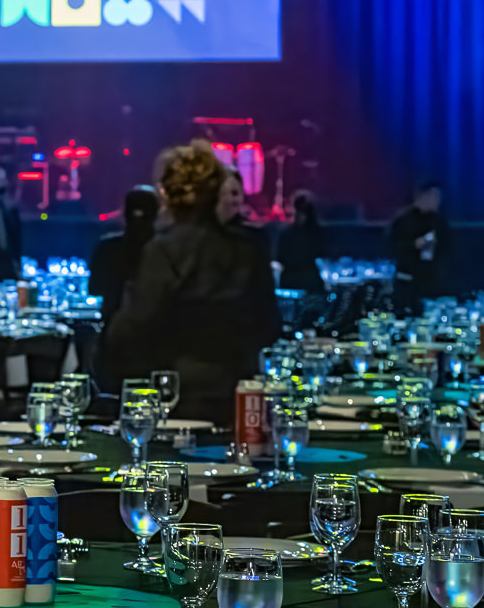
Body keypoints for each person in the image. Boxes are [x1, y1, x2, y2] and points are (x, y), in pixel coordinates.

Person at [101, 140, 280, 427]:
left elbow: (131, 329)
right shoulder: (249, 249)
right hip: (238, 394)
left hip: (176, 397)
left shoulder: (164, 251)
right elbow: (270, 325)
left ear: (168, 194)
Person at [88, 186, 160, 327]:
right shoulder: (166, 250)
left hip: (114, 330)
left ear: (125, 213)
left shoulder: (107, 247)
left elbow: (94, 289)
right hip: (158, 333)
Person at [389, 181, 449, 314]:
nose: (437, 202)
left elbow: (449, 247)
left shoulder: (439, 221)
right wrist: (414, 244)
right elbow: (391, 246)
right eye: (434, 197)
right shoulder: (404, 220)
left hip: (432, 278)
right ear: (423, 197)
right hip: (408, 278)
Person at [276, 191, 328, 295]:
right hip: (306, 284)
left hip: (297, 284)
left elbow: (279, 260)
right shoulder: (287, 234)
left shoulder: (286, 234)